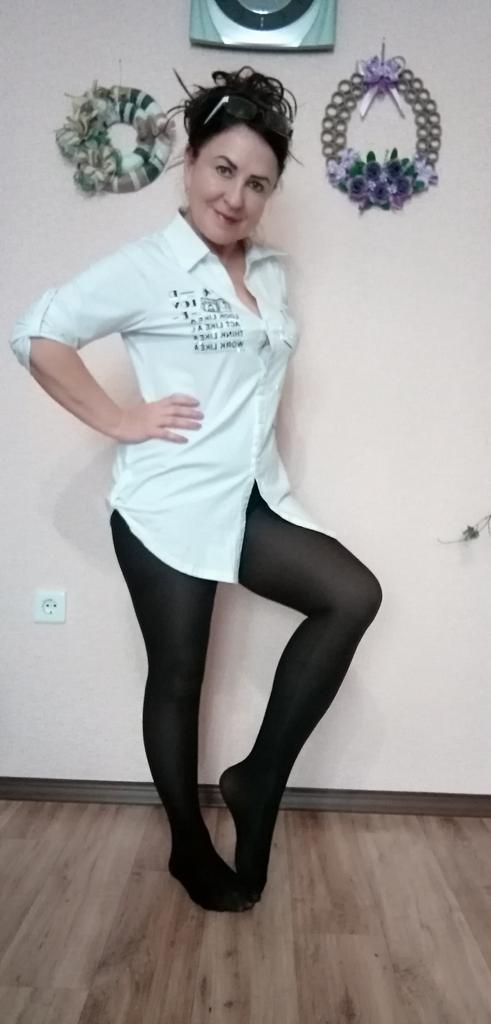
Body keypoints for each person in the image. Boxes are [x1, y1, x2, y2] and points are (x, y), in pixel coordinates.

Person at [10, 67, 382, 913]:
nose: (235, 196)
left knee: (350, 596)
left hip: (250, 496)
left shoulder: (271, 271)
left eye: (257, 183)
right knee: (178, 677)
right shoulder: (148, 267)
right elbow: (37, 334)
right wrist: (119, 418)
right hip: (166, 507)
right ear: (190, 163)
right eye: (223, 169)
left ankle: (256, 779)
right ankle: (186, 843)